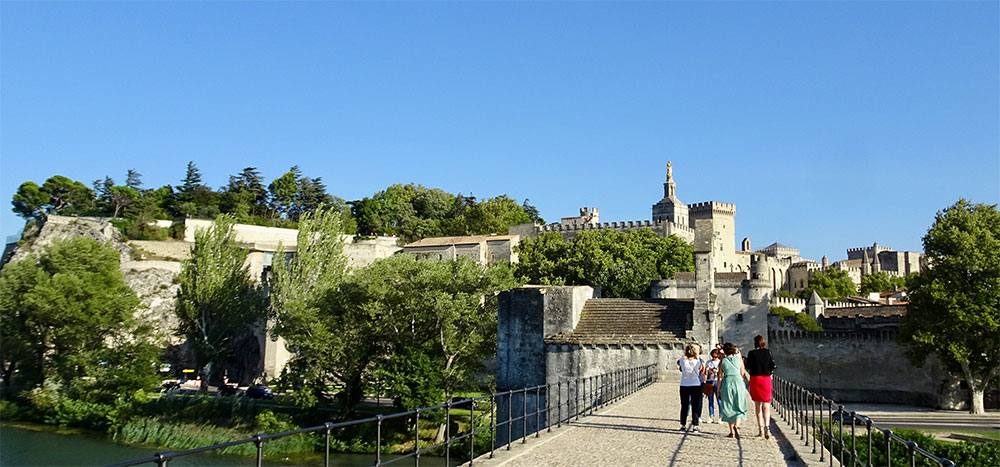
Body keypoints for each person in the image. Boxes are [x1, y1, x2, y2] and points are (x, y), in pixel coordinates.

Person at [746, 334, 777, 439]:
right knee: (766, 404)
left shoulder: (751, 353)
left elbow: (748, 366)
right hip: (766, 379)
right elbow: (773, 365)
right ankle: (767, 426)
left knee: (757, 405)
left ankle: (760, 429)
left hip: (755, 379)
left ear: (755, 343)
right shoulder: (768, 352)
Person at [718, 342, 749, 438]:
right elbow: (742, 372)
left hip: (727, 382)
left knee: (728, 406)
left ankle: (731, 431)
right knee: (740, 404)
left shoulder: (722, 361)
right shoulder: (739, 359)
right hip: (738, 382)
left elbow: (720, 376)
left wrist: (718, 389)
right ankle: (737, 426)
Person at [676, 344, 705, 432]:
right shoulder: (698, 361)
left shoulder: (682, 360)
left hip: (684, 384)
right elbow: (702, 370)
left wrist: (685, 356)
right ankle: (695, 426)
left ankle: (683, 424)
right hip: (695, 384)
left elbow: (679, 364)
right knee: (695, 406)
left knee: (684, 405)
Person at [703, 349, 721, 423]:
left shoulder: (720, 362)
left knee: (719, 400)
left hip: (717, 381)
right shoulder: (708, 362)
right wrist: (707, 370)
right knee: (710, 400)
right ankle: (711, 416)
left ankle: (721, 416)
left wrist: (716, 371)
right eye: (713, 356)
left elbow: (721, 372)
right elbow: (705, 373)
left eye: (715, 356)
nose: (714, 358)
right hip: (710, 381)